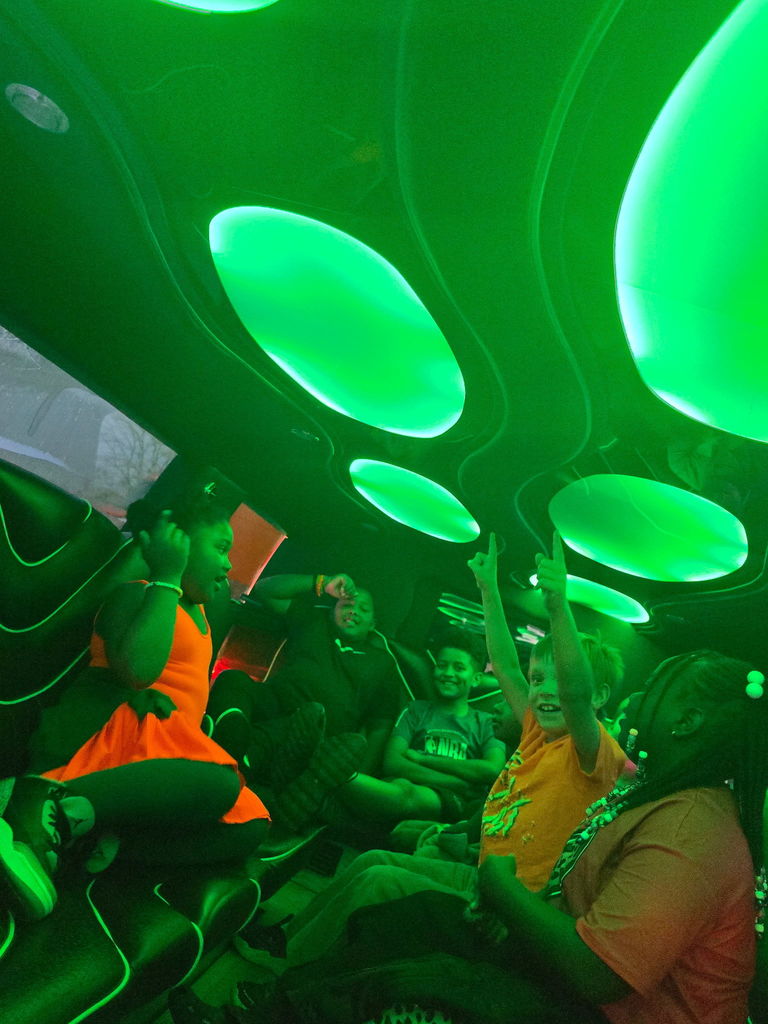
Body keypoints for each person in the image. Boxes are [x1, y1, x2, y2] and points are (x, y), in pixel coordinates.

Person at [169, 648, 767, 1024]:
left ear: (686, 723)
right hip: (558, 955)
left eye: (655, 693)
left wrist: (499, 885)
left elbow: (598, 974)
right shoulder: (666, 797)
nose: (640, 705)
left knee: (415, 960)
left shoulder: (692, 828)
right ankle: (280, 1003)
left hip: (594, 1004)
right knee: (400, 917)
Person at [0, 492, 270, 921]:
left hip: (160, 751)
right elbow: (139, 670)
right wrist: (167, 574)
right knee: (222, 785)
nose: (228, 564)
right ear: (174, 543)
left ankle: (95, 838)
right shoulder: (139, 595)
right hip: (114, 736)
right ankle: (39, 804)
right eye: (220, 548)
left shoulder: (201, 615)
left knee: (251, 825)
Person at [274, 627, 507, 832]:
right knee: (401, 787)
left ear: (476, 679)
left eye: (459, 668)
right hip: (406, 783)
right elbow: (394, 762)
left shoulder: (487, 722)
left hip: (450, 800)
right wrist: (456, 779)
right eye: (442, 665)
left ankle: (317, 764)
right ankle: (326, 774)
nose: (448, 673)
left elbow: (491, 769)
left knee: (408, 793)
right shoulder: (416, 710)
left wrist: (422, 759)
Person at [207, 574, 403, 788]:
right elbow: (265, 590)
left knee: (287, 731)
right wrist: (322, 582)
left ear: (373, 623)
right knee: (233, 679)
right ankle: (231, 748)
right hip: (272, 703)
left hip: (319, 732)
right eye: (346, 605)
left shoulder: (382, 662)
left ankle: (230, 765)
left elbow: (380, 726)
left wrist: (356, 777)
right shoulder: (314, 623)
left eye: (364, 609)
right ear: (332, 611)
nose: (353, 611)